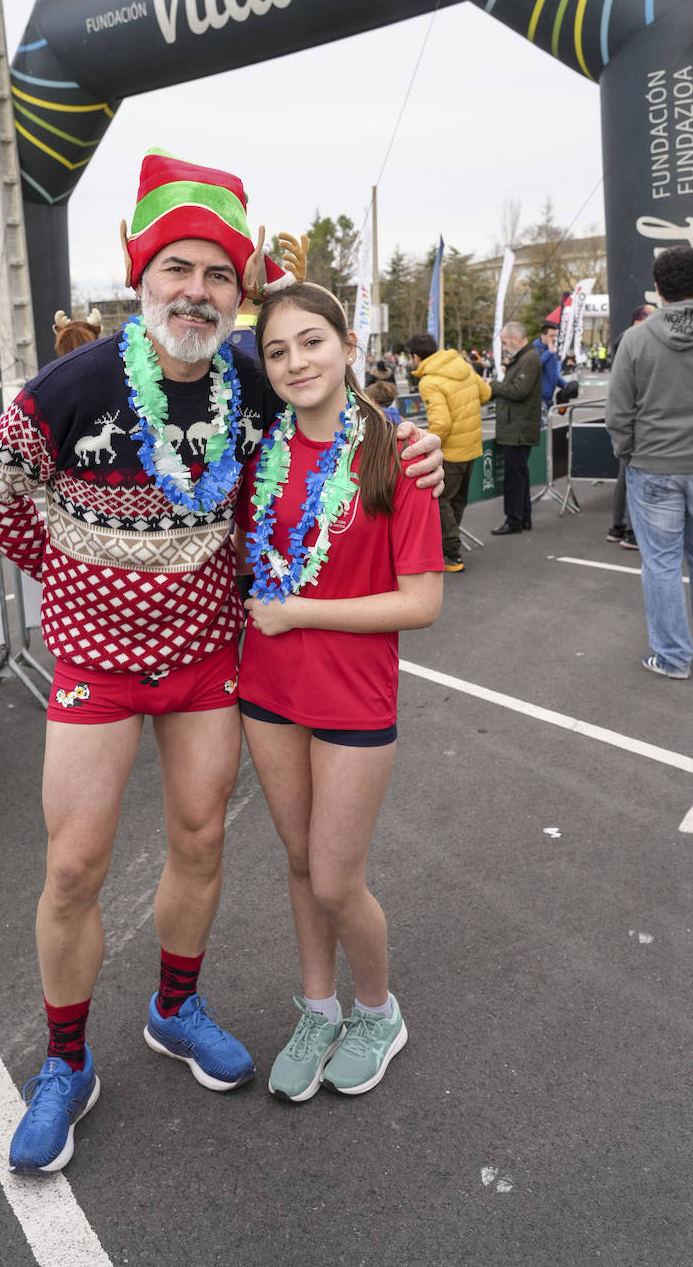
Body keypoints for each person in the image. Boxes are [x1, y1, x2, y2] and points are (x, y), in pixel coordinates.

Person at [0, 148, 445, 1175]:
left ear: (236, 293)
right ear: (142, 278)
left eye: (217, 274)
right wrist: (77, 576)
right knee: (75, 864)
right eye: (177, 269)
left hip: (206, 665)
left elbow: (332, 421)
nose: (196, 290)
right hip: (94, 664)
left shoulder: (250, 380)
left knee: (198, 842)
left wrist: (416, 443)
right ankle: (65, 1064)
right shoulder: (73, 382)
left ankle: (174, 1008)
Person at [231, 283, 442, 1101]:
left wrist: (298, 613)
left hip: (354, 698)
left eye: (312, 342)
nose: (296, 362)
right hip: (268, 690)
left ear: (349, 345)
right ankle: (318, 1008)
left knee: (334, 878)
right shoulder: (258, 452)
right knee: (295, 859)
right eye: (278, 352)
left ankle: (377, 1011)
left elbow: (421, 602)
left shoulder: (397, 452)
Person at [605, 245, 693, 678]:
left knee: (662, 564)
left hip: (652, 467)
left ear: (658, 290)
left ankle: (671, 657)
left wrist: (629, 456)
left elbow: (618, 414)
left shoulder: (636, 338)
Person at [407, 331, 492, 572]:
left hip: (451, 452)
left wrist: (423, 445)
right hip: (472, 446)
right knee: (457, 502)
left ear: (415, 356)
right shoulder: (461, 365)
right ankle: (451, 550)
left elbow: (441, 424)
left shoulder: (429, 380)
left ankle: (451, 554)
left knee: (442, 502)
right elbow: (485, 394)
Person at [606, 304, 653, 550]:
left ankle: (618, 527)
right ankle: (631, 532)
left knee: (625, 478)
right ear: (641, 319)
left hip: (630, 425)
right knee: (632, 480)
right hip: (635, 426)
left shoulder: (625, 340)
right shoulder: (633, 340)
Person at [489, 322, 542, 535]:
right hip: (516, 426)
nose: (503, 346)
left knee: (514, 477)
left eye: (504, 342)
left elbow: (519, 391)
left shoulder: (529, 359)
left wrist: (493, 385)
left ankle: (514, 520)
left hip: (517, 428)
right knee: (519, 475)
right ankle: (522, 517)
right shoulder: (524, 357)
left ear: (517, 339)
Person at [533, 322, 565, 417]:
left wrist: (565, 385)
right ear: (543, 335)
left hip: (549, 398)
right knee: (541, 429)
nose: (554, 338)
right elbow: (535, 367)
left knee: (547, 428)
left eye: (555, 335)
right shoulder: (535, 349)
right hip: (538, 398)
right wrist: (549, 352)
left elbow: (552, 373)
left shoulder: (550, 350)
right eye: (551, 335)